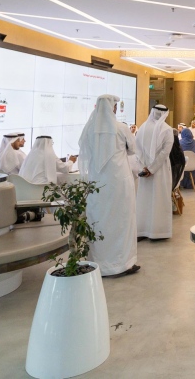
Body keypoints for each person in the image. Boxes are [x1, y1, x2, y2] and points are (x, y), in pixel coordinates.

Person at [78, 95, 139, 278]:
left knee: (100, 218)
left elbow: (85, 151)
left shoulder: (89, 129)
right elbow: (133, 150)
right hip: (120, 181)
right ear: (113, 108)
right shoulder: (121, 128)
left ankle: (99, 262)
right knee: (122, 219)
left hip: (97, 183)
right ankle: (122, 263)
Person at [135, 104, 174, 241]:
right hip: (160, 170)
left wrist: (144, 168)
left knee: (144, 200)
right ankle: (158, 232)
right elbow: (165, 152)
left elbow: (137, 150)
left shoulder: (143, 127)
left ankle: (142, 230)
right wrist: (152, 169)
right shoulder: (167, 129)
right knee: (159, 199)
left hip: (144, 169)